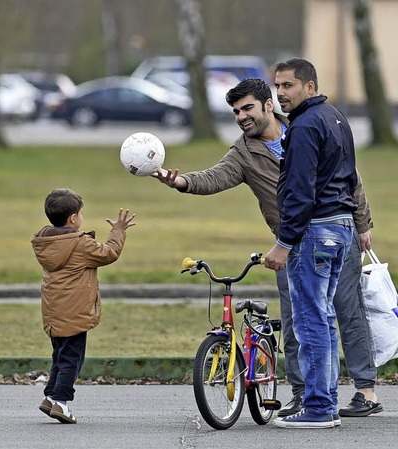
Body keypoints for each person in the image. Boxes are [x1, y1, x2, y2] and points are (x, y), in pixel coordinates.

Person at [152, 77, 380, 424]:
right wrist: (180, 182)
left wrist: (362, 223)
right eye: (235, 111)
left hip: (333, 228)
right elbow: (214, 178)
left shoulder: (305, 127)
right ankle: (306, 395)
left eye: (247, 108)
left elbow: (350, 175)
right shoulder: (244, 153)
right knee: (296, 321)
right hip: (290, 244)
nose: (241, 116)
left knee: (347, 311)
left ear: (268, 105)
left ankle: (365, 390)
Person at [263, 57, 363, 428]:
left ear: (309, 86)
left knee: (309, 321)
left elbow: (301, 192)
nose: (281, 93)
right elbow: (350, 177)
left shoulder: (305, 125)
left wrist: (283, 243)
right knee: (322, 317)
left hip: (316, 230)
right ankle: (327, 403)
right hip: (340, 225)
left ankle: (319, 408)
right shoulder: (335, 117)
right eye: (277, 86)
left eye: (288, 85)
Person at [31, 189, 135, 423]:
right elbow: (109, 253)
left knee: (60, 356)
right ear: (73, 219)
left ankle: (50, 397)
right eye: (81, 213)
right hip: (75, 313)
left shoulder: (46, 241)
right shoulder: (80, 244)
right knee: (72, 360)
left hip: (53, 312)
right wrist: (118, 230)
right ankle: (60, 402)